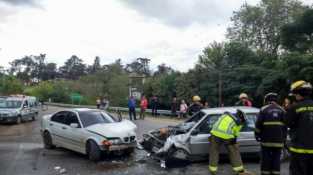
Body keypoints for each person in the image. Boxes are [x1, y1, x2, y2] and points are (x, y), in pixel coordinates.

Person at [255, 93, 287, 175]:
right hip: (279, 141)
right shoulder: (282, 110)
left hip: (266, 140)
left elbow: (258, 124)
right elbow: (285, 126)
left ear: (267, 100)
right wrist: (284, 139)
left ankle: (265, 173)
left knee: (266, 158)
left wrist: (257, 135)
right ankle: (276, 173)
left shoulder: (263, 109)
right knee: (276, 158)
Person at [286, 80, 313, 175]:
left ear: (298, 93)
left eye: (295, 93)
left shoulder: (295, 107)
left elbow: (288, 123)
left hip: (299, 151)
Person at [209, 109, 247, 175]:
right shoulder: (239, 122)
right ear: (241, 118)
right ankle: (239, 169)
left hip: (214, 134)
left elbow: (216, 123)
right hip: (227, 136)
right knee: (234, 152)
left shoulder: (225, 115)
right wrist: (234, 141)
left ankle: (213, 170)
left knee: (214, 151)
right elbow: (235, 133)